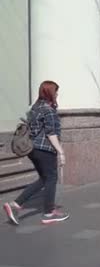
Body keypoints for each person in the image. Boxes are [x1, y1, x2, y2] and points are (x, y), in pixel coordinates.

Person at [3, 81, 69, 225]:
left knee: (44, 179)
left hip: (33, 149)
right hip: (45, 149)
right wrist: (61, 152)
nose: (57, 94)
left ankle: (15, 205)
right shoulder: (49, 110)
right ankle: (48, 213)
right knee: (51, 178)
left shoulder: (35, 107)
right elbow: (51, 134)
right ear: (50, 93)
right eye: (56, 91)